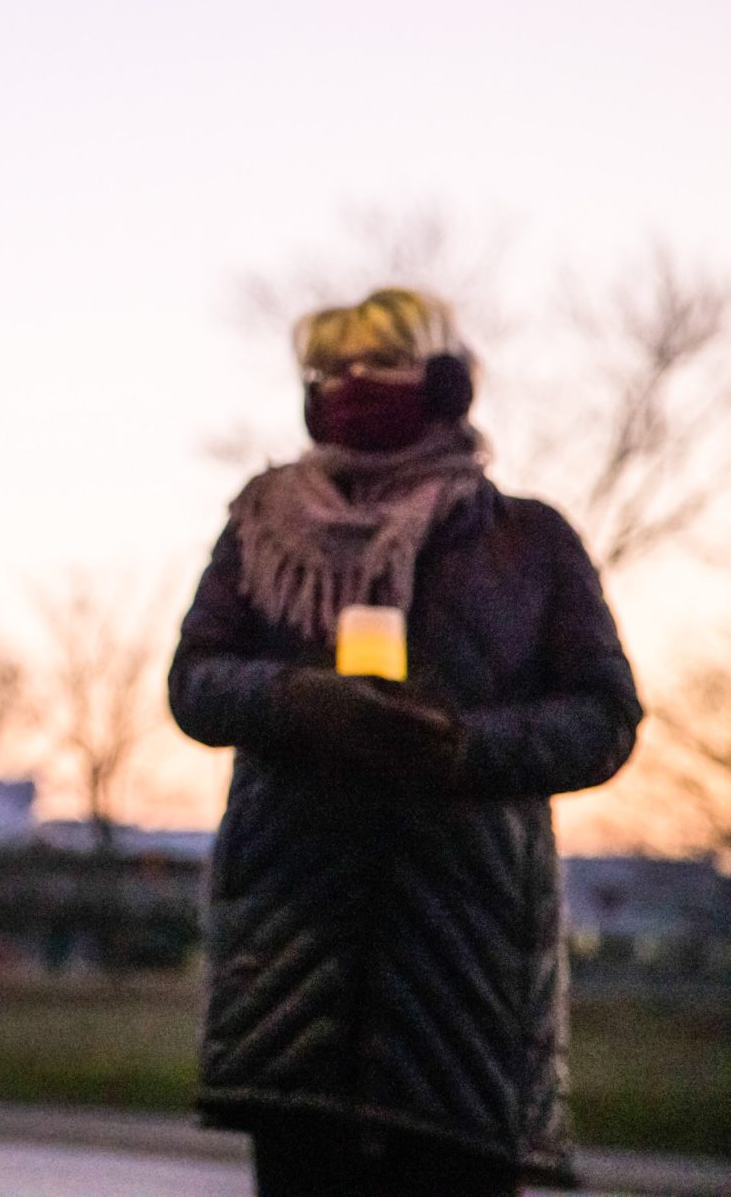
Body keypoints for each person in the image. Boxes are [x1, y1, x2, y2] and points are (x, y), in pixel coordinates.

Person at [168, 288, 641, 1197]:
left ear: (446, 382)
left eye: (378, 361)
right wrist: (297, 700)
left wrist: (463, 747)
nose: (351, 383)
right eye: (332, 367)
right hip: (295, 981)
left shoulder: (528, 540)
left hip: (464, 988)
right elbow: (193, 683)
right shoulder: (260, 527)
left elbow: (604, 715)